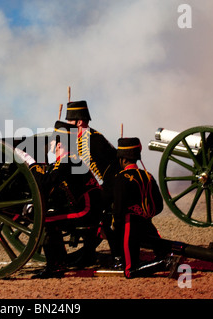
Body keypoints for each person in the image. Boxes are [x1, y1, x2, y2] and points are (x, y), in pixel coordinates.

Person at [30, 121, 103, 279]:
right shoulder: (71, 159)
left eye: (53, 140)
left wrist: (32, 166)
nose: (50, 143)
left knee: (46, 220)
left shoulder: (66, 161)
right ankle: (68, 260)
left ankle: (55, 266)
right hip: (90, 207)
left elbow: (45, 183)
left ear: (59, 143)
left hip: (86, 209)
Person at [65, 100, 119, 261]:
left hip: (110, 186)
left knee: (89, 205)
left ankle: (96, 251)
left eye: (70, 121)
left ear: (79, 122)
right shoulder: (85, 137)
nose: (68, 124)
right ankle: (88, 249)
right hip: (104, 185)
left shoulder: (90, 140)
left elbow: (103, 169)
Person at [111, 137, 170, 279]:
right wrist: (146, 214)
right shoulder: (148, 176)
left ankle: (164, 263)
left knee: (129, 271)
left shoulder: (121, 177)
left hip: (129, 225)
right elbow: (159, 205)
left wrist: (115, 227)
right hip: (147, 224)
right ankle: (163, 260)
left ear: (123, 159)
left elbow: (118, 209)